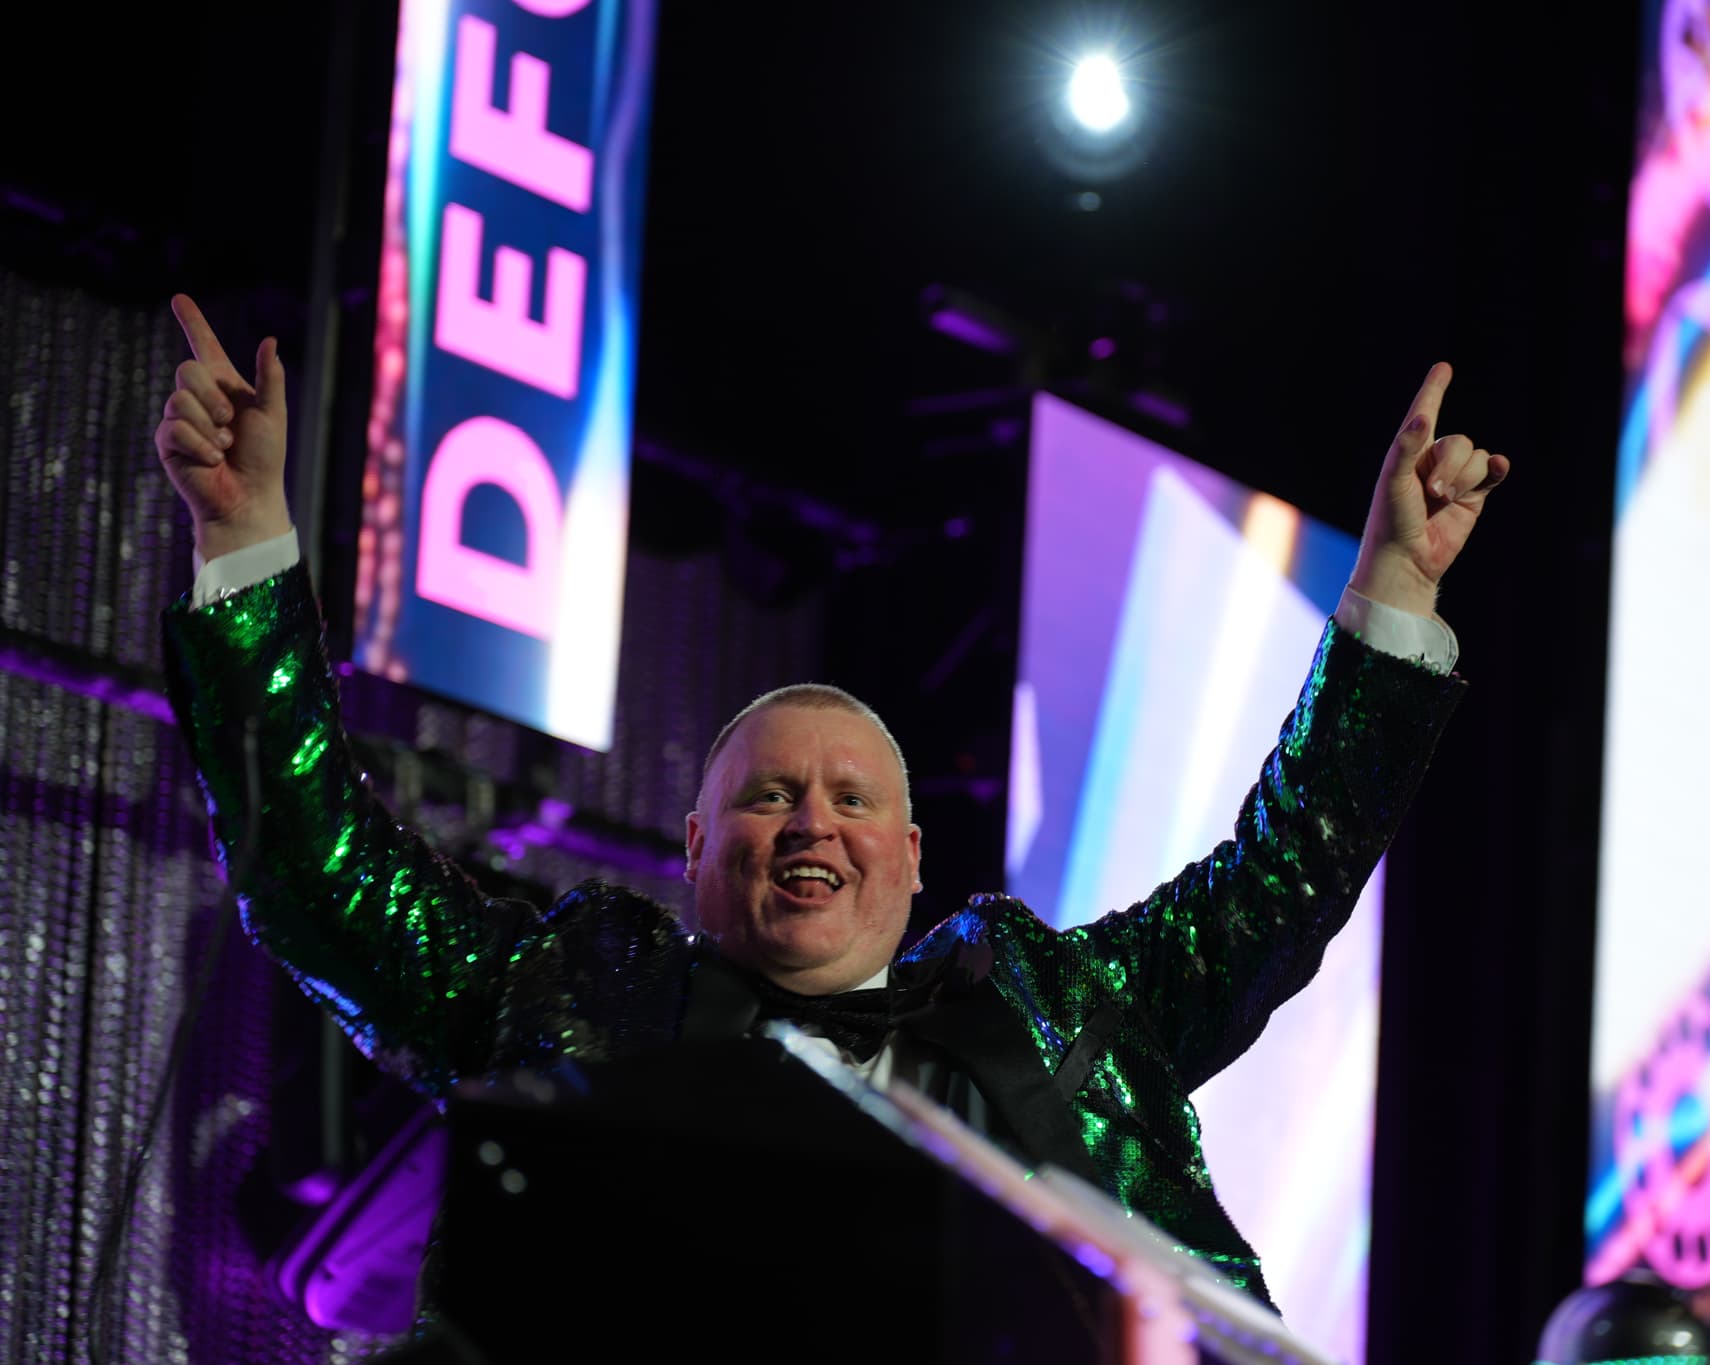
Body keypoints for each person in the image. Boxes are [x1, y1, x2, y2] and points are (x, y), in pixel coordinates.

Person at [154, 294, 1508, 1314]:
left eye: (852, 799)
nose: (812, 822)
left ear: (914, 859)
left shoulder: (1059, 1002)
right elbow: (320, 879)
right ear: (693, 851)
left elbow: (1282, 876)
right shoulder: (570, 1001)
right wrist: (245, 540)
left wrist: (1391, 594)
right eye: (770, 798)